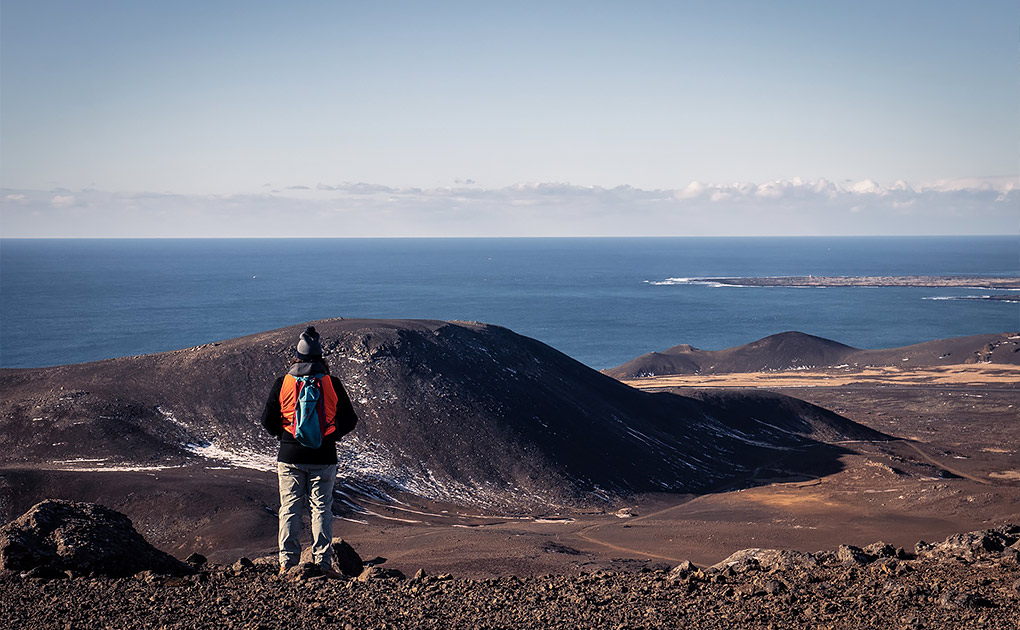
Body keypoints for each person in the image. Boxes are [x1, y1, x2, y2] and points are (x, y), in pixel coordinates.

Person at [260, 325, 358, 574]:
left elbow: (267, 420)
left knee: (290, 508)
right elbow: (350, 420)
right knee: (321, 508)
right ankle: (323, 563)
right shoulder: (332, 383)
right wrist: (331, 436)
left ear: (297, 356)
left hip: (290, 456)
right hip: (324, 456)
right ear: (320, 357)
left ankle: (287, 564)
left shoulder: (283, 383)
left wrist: (285, 437)